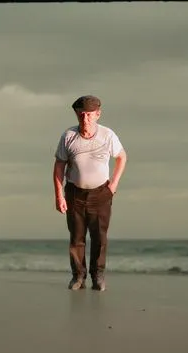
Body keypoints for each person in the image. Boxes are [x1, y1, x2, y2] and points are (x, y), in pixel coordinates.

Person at [53, 95, 127, 291]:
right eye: (81, 114)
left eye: (88, 115)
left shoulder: (107, 135)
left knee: (99, 238)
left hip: (101, 194)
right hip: (74, 193)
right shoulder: (68, 136)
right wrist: (59, 195)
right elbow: (59, 166)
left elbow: (122, 157)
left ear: (97, 114)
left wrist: (114, 184)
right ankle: (78, 276)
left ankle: (98, 275)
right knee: (76, 238)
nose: (84, 119)